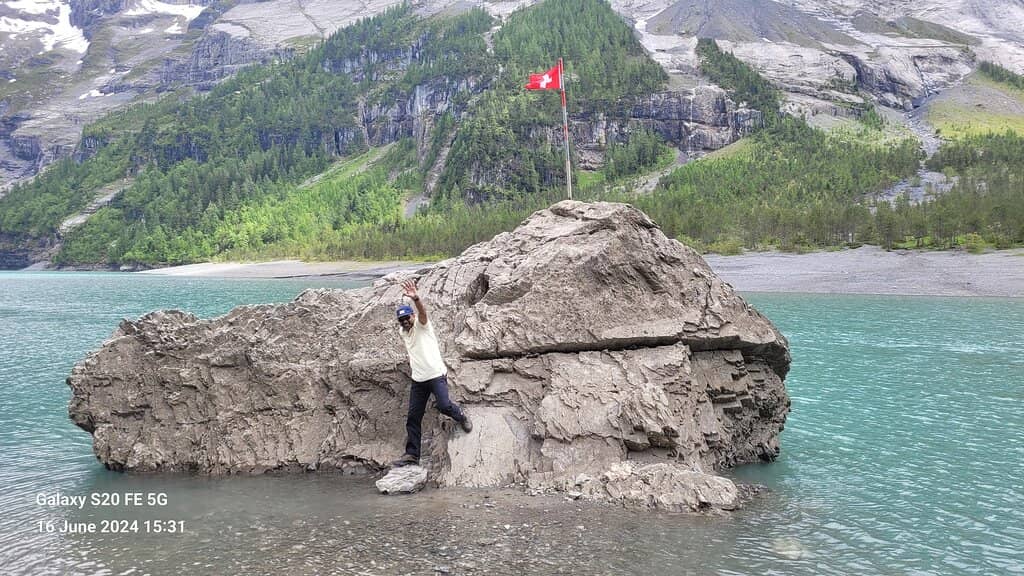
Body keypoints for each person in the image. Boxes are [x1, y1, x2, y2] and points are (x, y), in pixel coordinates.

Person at [391, 279, 472, 468]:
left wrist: (416, 299)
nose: (405, 322)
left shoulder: (423, 326)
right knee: (413, 417)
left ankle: (461, 415)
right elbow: (407, 326)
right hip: (418, 380)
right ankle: (412, 455)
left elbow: (423, 314)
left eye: (407, 318)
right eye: (401, 320)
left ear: (413, 316)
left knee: (444, 405)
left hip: (435, 375)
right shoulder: (403, 332)